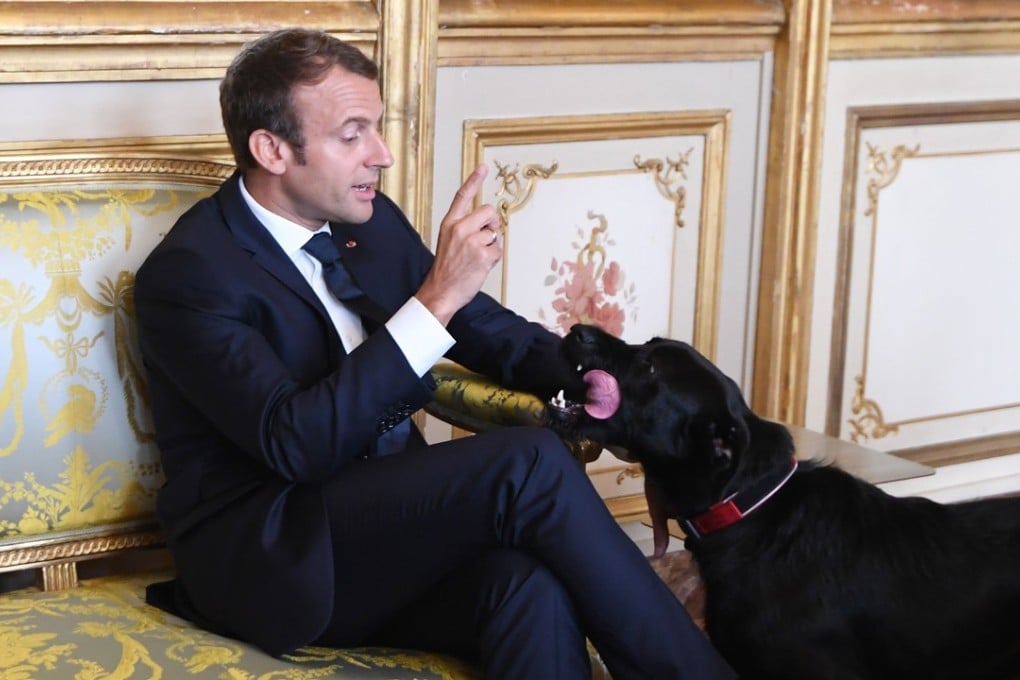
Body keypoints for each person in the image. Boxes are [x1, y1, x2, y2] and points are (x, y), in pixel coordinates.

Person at [134, 27, 736, 680]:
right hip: (277, 554)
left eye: (378, 127)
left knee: (526, 586)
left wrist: (611, 394)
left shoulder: (367, 221)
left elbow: (489, 332)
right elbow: (295, 443)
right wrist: (435, 299)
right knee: (527, 462)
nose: (382, 155)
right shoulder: (191, 275)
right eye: (353, 133)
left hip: (387, 531)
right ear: (272, 149)